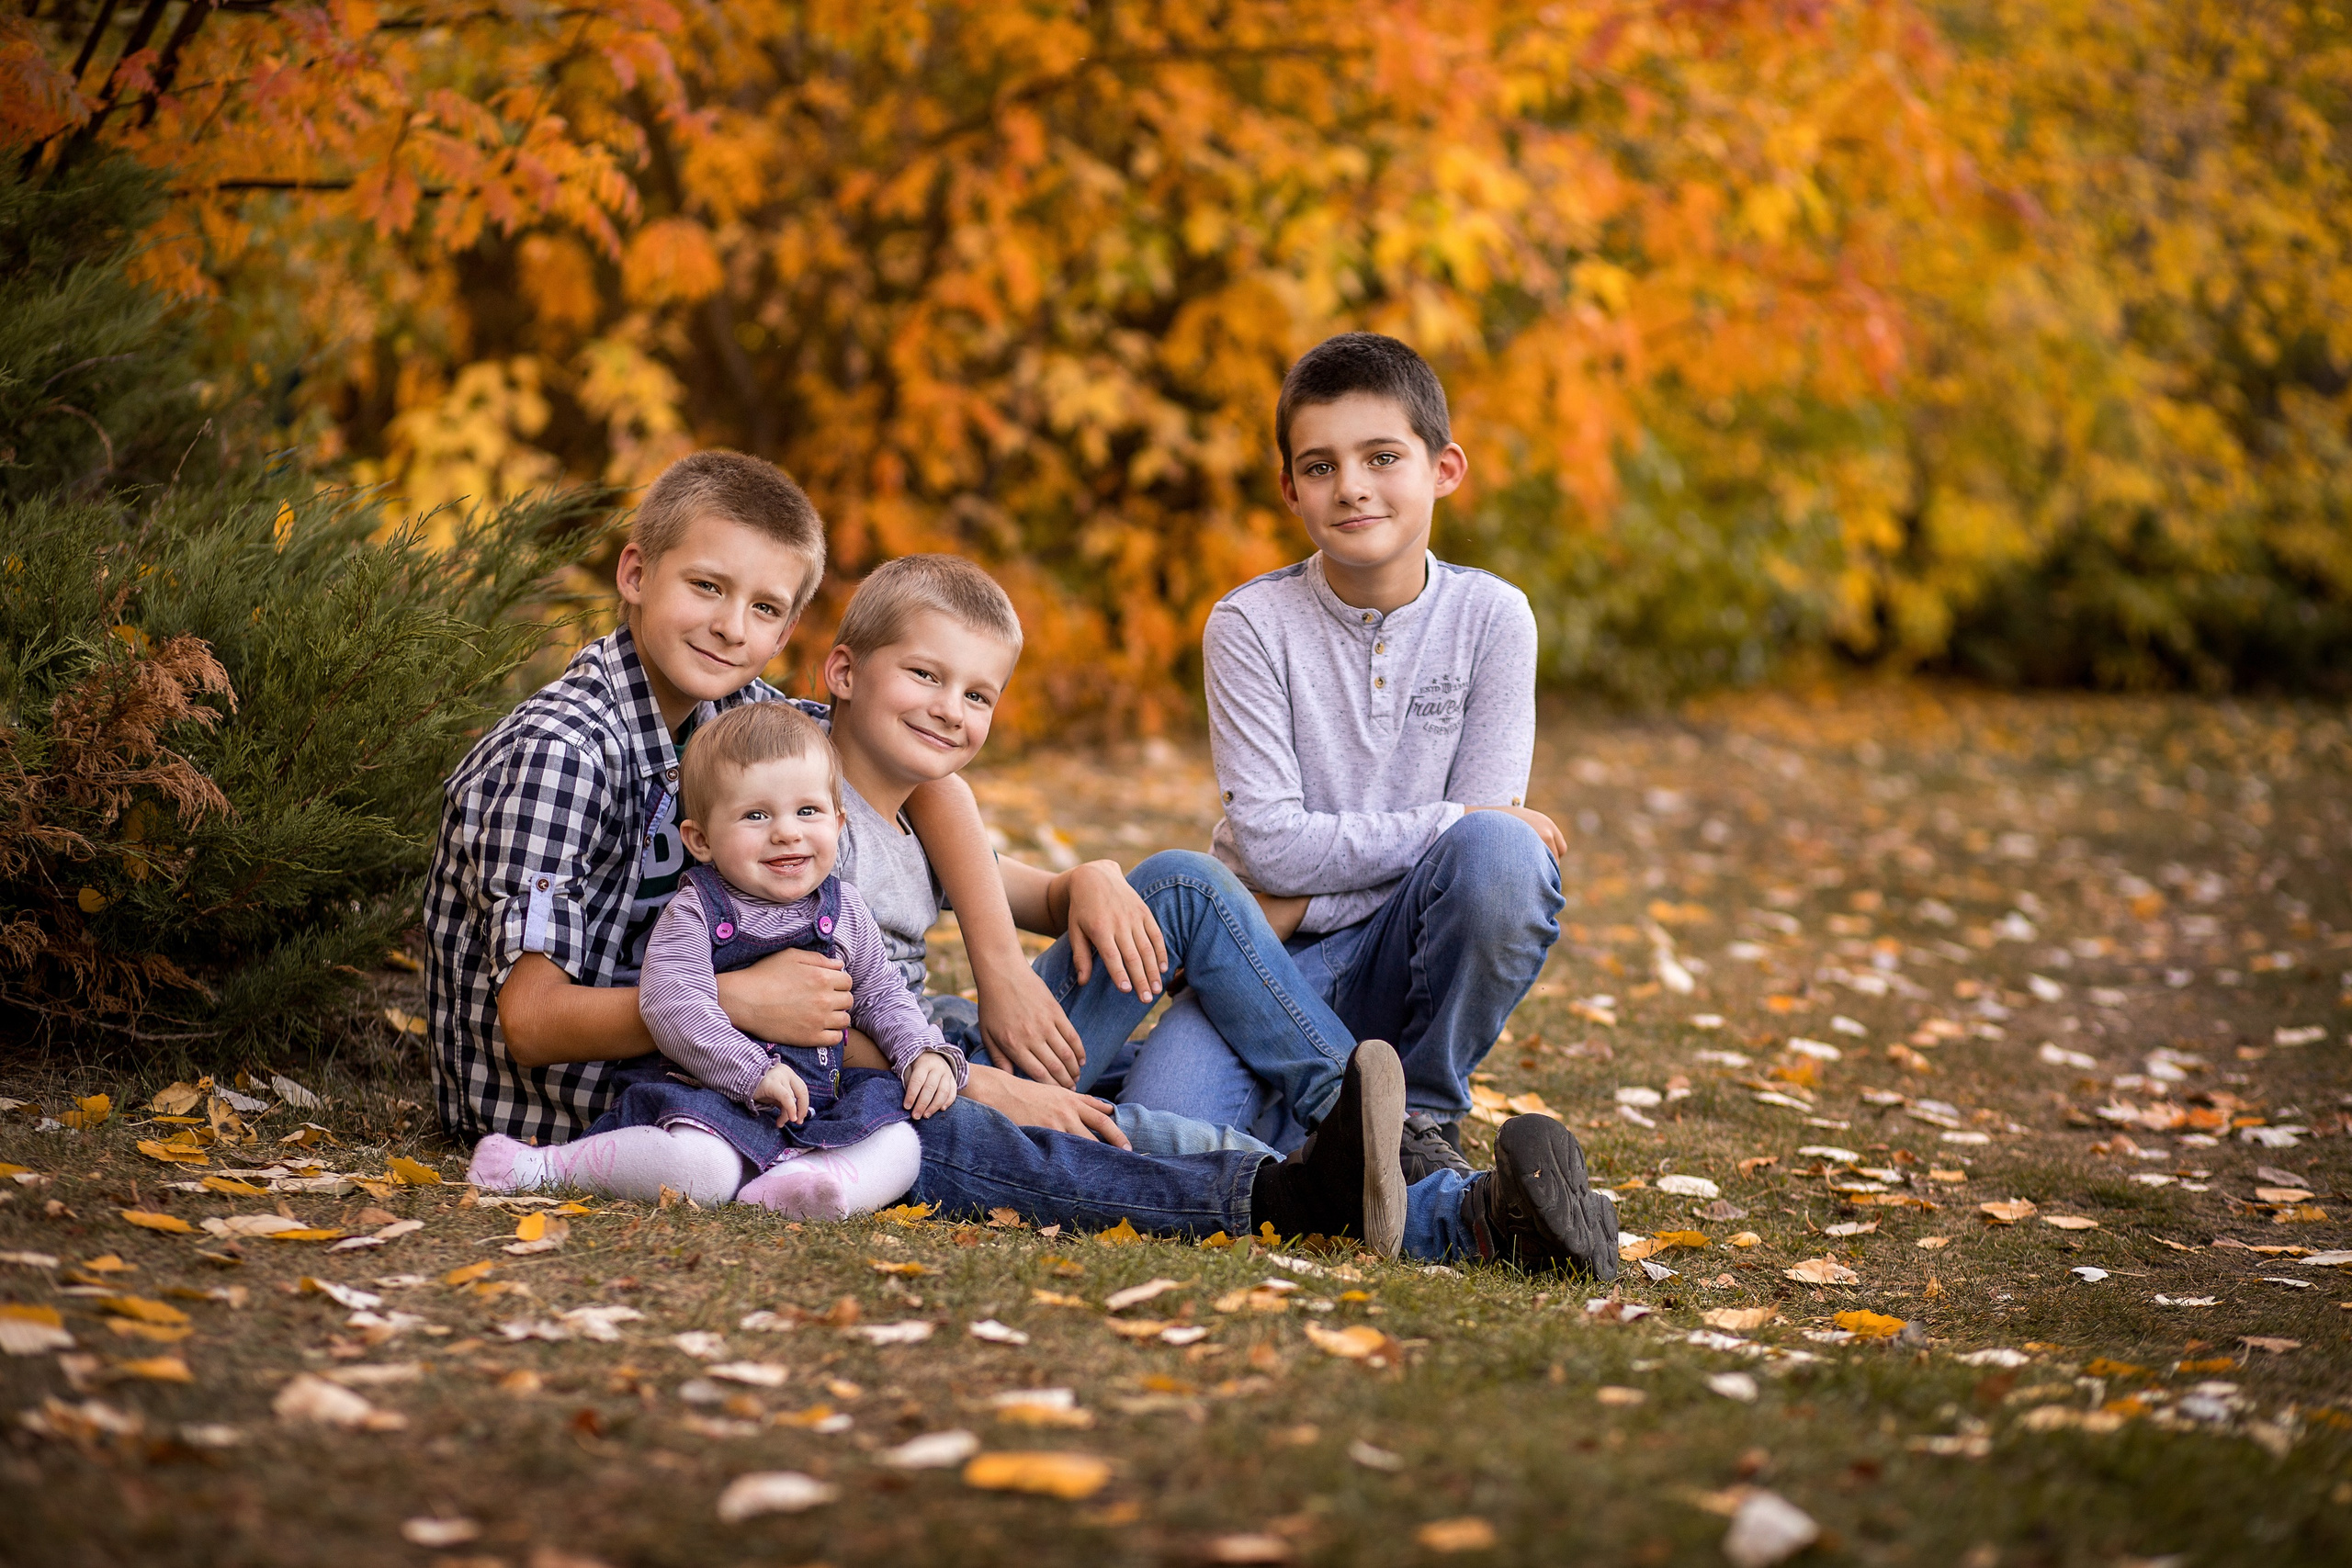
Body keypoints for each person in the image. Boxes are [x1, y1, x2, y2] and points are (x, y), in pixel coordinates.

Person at [423, 447, 1411, 1254]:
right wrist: (760, 1011)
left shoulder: (741, 714)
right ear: (634, 574)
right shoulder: (564, 753)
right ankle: (1298, 1189)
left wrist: (1027, 933)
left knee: (1172, 895)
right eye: (706, 588)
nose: (731, 626)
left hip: (811, 1056)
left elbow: (921, 772)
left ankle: (1372, 1134)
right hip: (629, 1110)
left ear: (796, 629)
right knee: (979, 1129)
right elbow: (535, 1025)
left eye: (764, 609)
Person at [1119, 330, 1615, 1272]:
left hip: (1401, 959)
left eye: (1380, 457)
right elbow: (1269, 847)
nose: (1350, 486)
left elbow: (1476, 864)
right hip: (1258, 962)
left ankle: (1419, 1109)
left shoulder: (1491, 618)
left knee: (1507, 862)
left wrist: (1312, 892)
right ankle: (1394, 1172)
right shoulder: (1248, 625)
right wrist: (1443, 827)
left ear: (1443, 469)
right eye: (1320, 465)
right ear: (1290, 489)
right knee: (1154, 1142)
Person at [465, 703, 965, 1217]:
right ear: (700, 840)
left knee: (902, 1143)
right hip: (707, 1098)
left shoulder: (846, 908)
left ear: (838, 824)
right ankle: (544, 1168)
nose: (787, 832)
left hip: (818, 1101)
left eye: (807, 812)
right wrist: (751, 1073)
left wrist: (921, 1051)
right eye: (756, 815)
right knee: (703, 1170)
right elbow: (672, 1006)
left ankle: (801, 1184)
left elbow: (882, 993)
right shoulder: (694, 912)